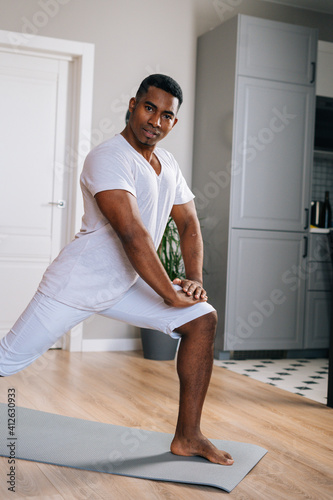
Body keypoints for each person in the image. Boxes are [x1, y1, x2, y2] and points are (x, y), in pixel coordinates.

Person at [0, 74, 234, 466]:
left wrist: (193, 280)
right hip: (77, 283)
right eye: (148, 108)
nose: (154, 120)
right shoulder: (108, 157)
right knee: (8, 358)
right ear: (132, 105)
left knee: (202, 318)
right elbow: (133, 235)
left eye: (165, 115)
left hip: (126, 283)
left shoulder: (167, 164)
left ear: (173, 123)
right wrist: (168, 293)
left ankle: (188, 436)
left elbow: (189, 224)